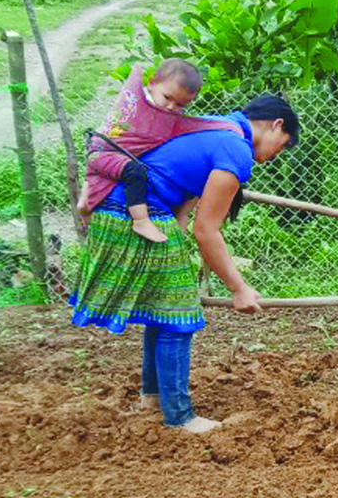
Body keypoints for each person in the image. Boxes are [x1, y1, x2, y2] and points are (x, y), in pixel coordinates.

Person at [69, 94, 300, 433]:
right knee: (179, 315)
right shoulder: (234, 148)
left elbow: (184, 201)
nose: (276, 154)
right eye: (283, 145)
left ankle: (153, 398)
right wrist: (239, 289)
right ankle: (178, 417)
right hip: (136, 215)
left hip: (122, 212)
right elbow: (207, 231)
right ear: (277, 125)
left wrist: (175, 252)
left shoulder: (214, 127)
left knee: (162, 311)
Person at [78, 59, 226, 245]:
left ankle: (84, 205)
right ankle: (140, 221)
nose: (172, 107)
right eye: (167, 97)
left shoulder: (163, 114)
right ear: (152, 83)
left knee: (103, 180)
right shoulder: (139, 102)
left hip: (105, 155)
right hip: (103, 151)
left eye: (181, 105)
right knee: (134, 171)